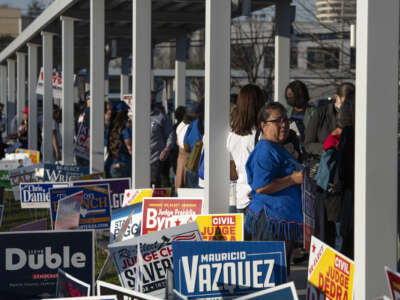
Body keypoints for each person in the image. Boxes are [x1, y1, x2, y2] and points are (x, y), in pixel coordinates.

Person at [245, 102, 304, 272]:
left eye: (285, 120)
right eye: (277, 121)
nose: (284, 124)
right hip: (270, 221)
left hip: (280, 220)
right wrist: (293, 179)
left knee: (278, 275)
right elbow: (262, 186)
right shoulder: (265, 150)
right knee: (270, 275)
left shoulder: (276, 148)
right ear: (263, 125)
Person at [304, 82, 355, 247]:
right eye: (344, 102)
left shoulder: (356, 115)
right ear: (336, 98)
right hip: (325, 177)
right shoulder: (321, 114)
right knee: (326, 228)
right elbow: (308, 144)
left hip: (344, 179)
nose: (347, 106)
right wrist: (329, 148)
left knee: (342, 229)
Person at [227, 84, 265, 213]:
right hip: (257, 197)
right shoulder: (262, 134)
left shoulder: (231, 135)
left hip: (240, 196)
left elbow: (232, 173)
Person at [150, 92, 173, 187]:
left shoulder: (161, 117)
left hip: (156, 159)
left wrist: (166, 149)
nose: (152, 102)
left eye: (153, 100)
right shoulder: (135, 116)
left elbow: (170, 135)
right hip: (140, 161)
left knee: (155, 186)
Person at [106, 101, 132, 178]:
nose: (127, 116)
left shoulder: (109, 130)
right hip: (124, 164)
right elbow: (130, 148)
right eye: (126, 113)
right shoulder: (124, 130)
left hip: (110, 164)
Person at [183, 102, 204, 188]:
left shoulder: (191, 125)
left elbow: (186, 147)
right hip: (204, 165)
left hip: (193, 162)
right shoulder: (209, 123)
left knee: (193, 195)